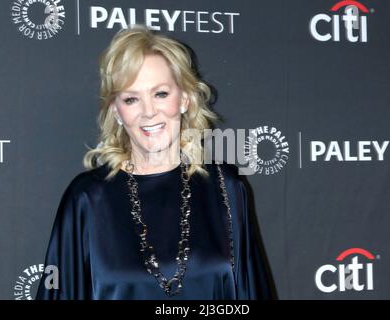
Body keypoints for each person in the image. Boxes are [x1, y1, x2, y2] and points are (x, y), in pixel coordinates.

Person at [36, 25, 275, 300]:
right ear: (116, 110)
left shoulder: (226, 188)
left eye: (161, 93)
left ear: (184, 98)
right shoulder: (88, 198)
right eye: (131, 98)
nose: (149, 112)